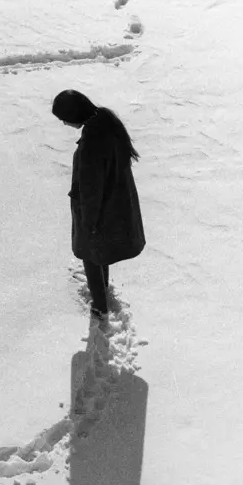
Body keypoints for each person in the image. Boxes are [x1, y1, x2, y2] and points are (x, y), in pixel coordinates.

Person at [52, 89, 145, 332]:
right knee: (99, 253)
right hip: (116, 204)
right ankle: (102, 290)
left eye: (64, 118)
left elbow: (90, 189)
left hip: (100, 211)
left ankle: (100, 308)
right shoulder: (105, 123)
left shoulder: (91, 144)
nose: (63, 122)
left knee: (90, 255)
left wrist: (88, 223)